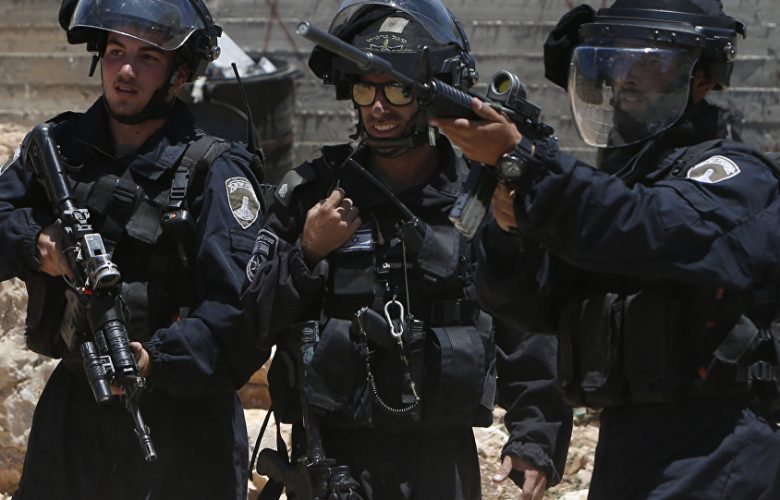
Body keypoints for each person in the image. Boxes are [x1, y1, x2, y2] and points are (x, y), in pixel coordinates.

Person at [433, 0, 780, 498]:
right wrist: (512, 230)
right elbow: (532, 303)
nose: (625, 75)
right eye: (616, 58)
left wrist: (531, 166)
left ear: (701, 78)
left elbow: (651, 228)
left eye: (648, 61)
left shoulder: (734, 177)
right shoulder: (616, 190)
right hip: (629, 447)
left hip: (720, 446)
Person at [241, 1, 571, 499]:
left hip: (441, 461)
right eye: (365, 88)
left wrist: (534, 436)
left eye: (397, 89)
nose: (378, 107)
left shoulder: (479, 200)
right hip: (334, 459)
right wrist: (307, 253)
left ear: (432, 95)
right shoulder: (314, 197)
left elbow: (527, 332)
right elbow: (248, 320)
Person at [0, 0, 267, 498]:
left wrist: (155, 360)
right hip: (74, 413)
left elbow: (242, 313)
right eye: (116, 51)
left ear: (180, 74)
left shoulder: (216, 170)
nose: (125, 71)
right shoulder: (58, 149)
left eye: (148, 57)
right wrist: (36, 244)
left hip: (184, 426)